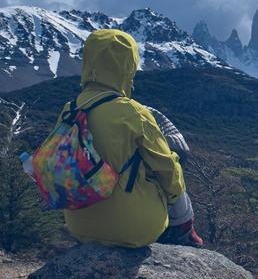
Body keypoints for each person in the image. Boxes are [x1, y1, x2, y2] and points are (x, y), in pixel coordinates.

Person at [60, 28, 202, 248]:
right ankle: (184, 233)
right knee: (170, 166)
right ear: (128, 66)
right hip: (131, 229)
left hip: (78, 225)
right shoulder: (133, 112)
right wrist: (181, 212)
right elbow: (167, 171)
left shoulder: (68, 110)